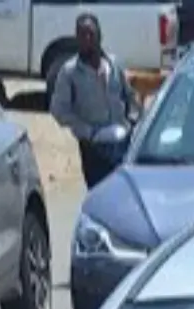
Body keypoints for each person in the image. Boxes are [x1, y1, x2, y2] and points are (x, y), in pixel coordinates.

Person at [50, 13, 140, 188]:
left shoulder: (114, 65)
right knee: (100, 194)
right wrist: (88, 132)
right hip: (94, 149)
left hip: (122, 143)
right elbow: (59, 110)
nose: (87, 39)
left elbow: (130, 95)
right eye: (82, 35)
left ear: (100, 35)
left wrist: (132, 121)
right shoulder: (70, 73)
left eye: (91, 34)